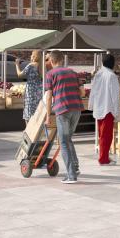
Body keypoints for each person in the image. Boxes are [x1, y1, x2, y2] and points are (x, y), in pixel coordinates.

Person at [41, 51, 83, 184]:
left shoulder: (50, 74)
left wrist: (48, 116)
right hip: (76, 109)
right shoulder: (73, 72)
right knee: (68, 139)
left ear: (52, 61)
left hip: (62, 110)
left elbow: (48, 97)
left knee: (63, 142)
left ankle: (71, 175)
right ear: (62, 60)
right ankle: (75, 168)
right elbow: (82, 91)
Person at [90, 54, 120, 166]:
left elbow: (92, 91)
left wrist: (91, 105)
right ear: (113, 63)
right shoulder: (112, 76)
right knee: (106, 135)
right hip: (108, 108)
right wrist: (117, 112)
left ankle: (104, 157)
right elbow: (115, 96)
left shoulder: (98, 74)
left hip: (99, 107)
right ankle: (103, 159)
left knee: (102, 135)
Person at [20, 50, 44, 122]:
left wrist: (17, 65)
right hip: (39, 90)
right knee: (37, 108)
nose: (30, 56)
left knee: (29, 109)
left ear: (34, 56)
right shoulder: (42, 66)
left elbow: (20, 75)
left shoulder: (31, 65)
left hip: (31, 90)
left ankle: (29, 130)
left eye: (32, 54)